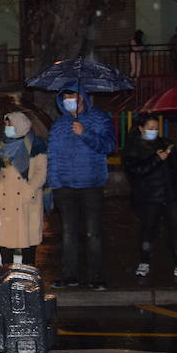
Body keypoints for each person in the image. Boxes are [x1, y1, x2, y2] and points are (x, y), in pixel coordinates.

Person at [45, 83, 115, 289]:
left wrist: (85, 133)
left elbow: (108, 146)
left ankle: (96, 276)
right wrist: (54, 185)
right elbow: (53, 157)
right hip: (65, 187)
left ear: (82, 97)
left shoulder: (100, 119)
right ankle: (69, 275)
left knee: (93, 233)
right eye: (65, 97)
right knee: (68, 233)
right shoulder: (59, 125)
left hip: (91, 184)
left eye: (72, 97)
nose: (68, 101)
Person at [121, 113, 177, 280]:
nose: (153, 131)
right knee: (148, 230)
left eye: (156, 128)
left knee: (176, 230)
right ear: (141, 128)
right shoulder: (132, 147)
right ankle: (144, 262)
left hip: (172, 195)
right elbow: (136, 171)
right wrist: (157, 158)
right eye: (150, 128)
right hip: (149, 196)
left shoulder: (165, 143)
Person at [0, 111, 48, 265]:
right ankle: (6, 277)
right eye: (6, 124)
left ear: (20, 125)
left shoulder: (35, 144)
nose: (7, 127)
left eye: (10, 124)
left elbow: (41, 173)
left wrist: (28, 191)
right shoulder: (3, 144)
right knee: (5, 244)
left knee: (27, 242)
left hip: (25, 201)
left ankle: (28, 279)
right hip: (5, 201)